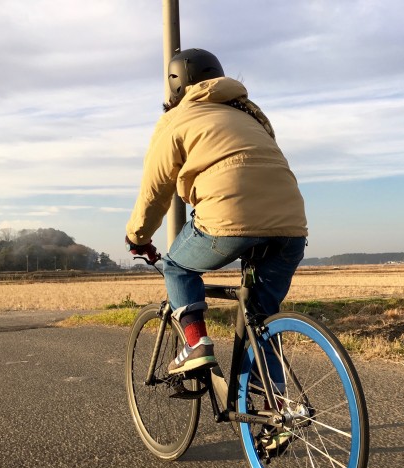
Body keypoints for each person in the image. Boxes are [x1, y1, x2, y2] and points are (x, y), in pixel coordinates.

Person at [125, 48, 307, 376]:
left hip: (228, 219)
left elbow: (155, 190)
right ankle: (272, 412)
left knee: (177, 268)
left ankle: (195, 345)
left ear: (176, 86)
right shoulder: (250, 113)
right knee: (262, 322)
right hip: (292, 224)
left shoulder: (176, 119)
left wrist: (139, 236)